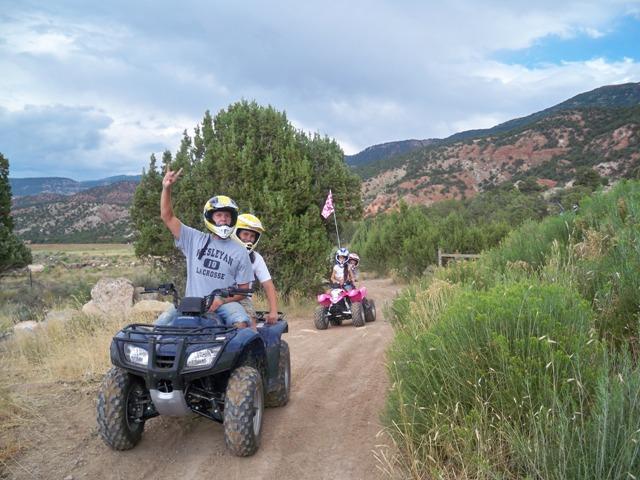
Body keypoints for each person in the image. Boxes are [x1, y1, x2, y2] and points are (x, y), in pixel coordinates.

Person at [157, 167, 254, 328]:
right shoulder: (193, 238)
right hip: (192, 303)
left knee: (241, 323)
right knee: (159, 326)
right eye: (219, 215)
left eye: (227, 216)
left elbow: (243, 290)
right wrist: (166, 188)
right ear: (210, 217)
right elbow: (167, 217)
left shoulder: (240, 251)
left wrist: (222, 300)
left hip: (223, 304)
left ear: (233, 219)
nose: (223, 219)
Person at [232, 213, 279, 326]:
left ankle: (254, 335)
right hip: (217, 298)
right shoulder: (223, 251)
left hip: (242, 300)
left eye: (252, 236)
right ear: (236, 232)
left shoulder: (256, 258)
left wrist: (273, 311)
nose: (249, 238)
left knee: (249, 324)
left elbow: (268, 285)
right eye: (245, 234)